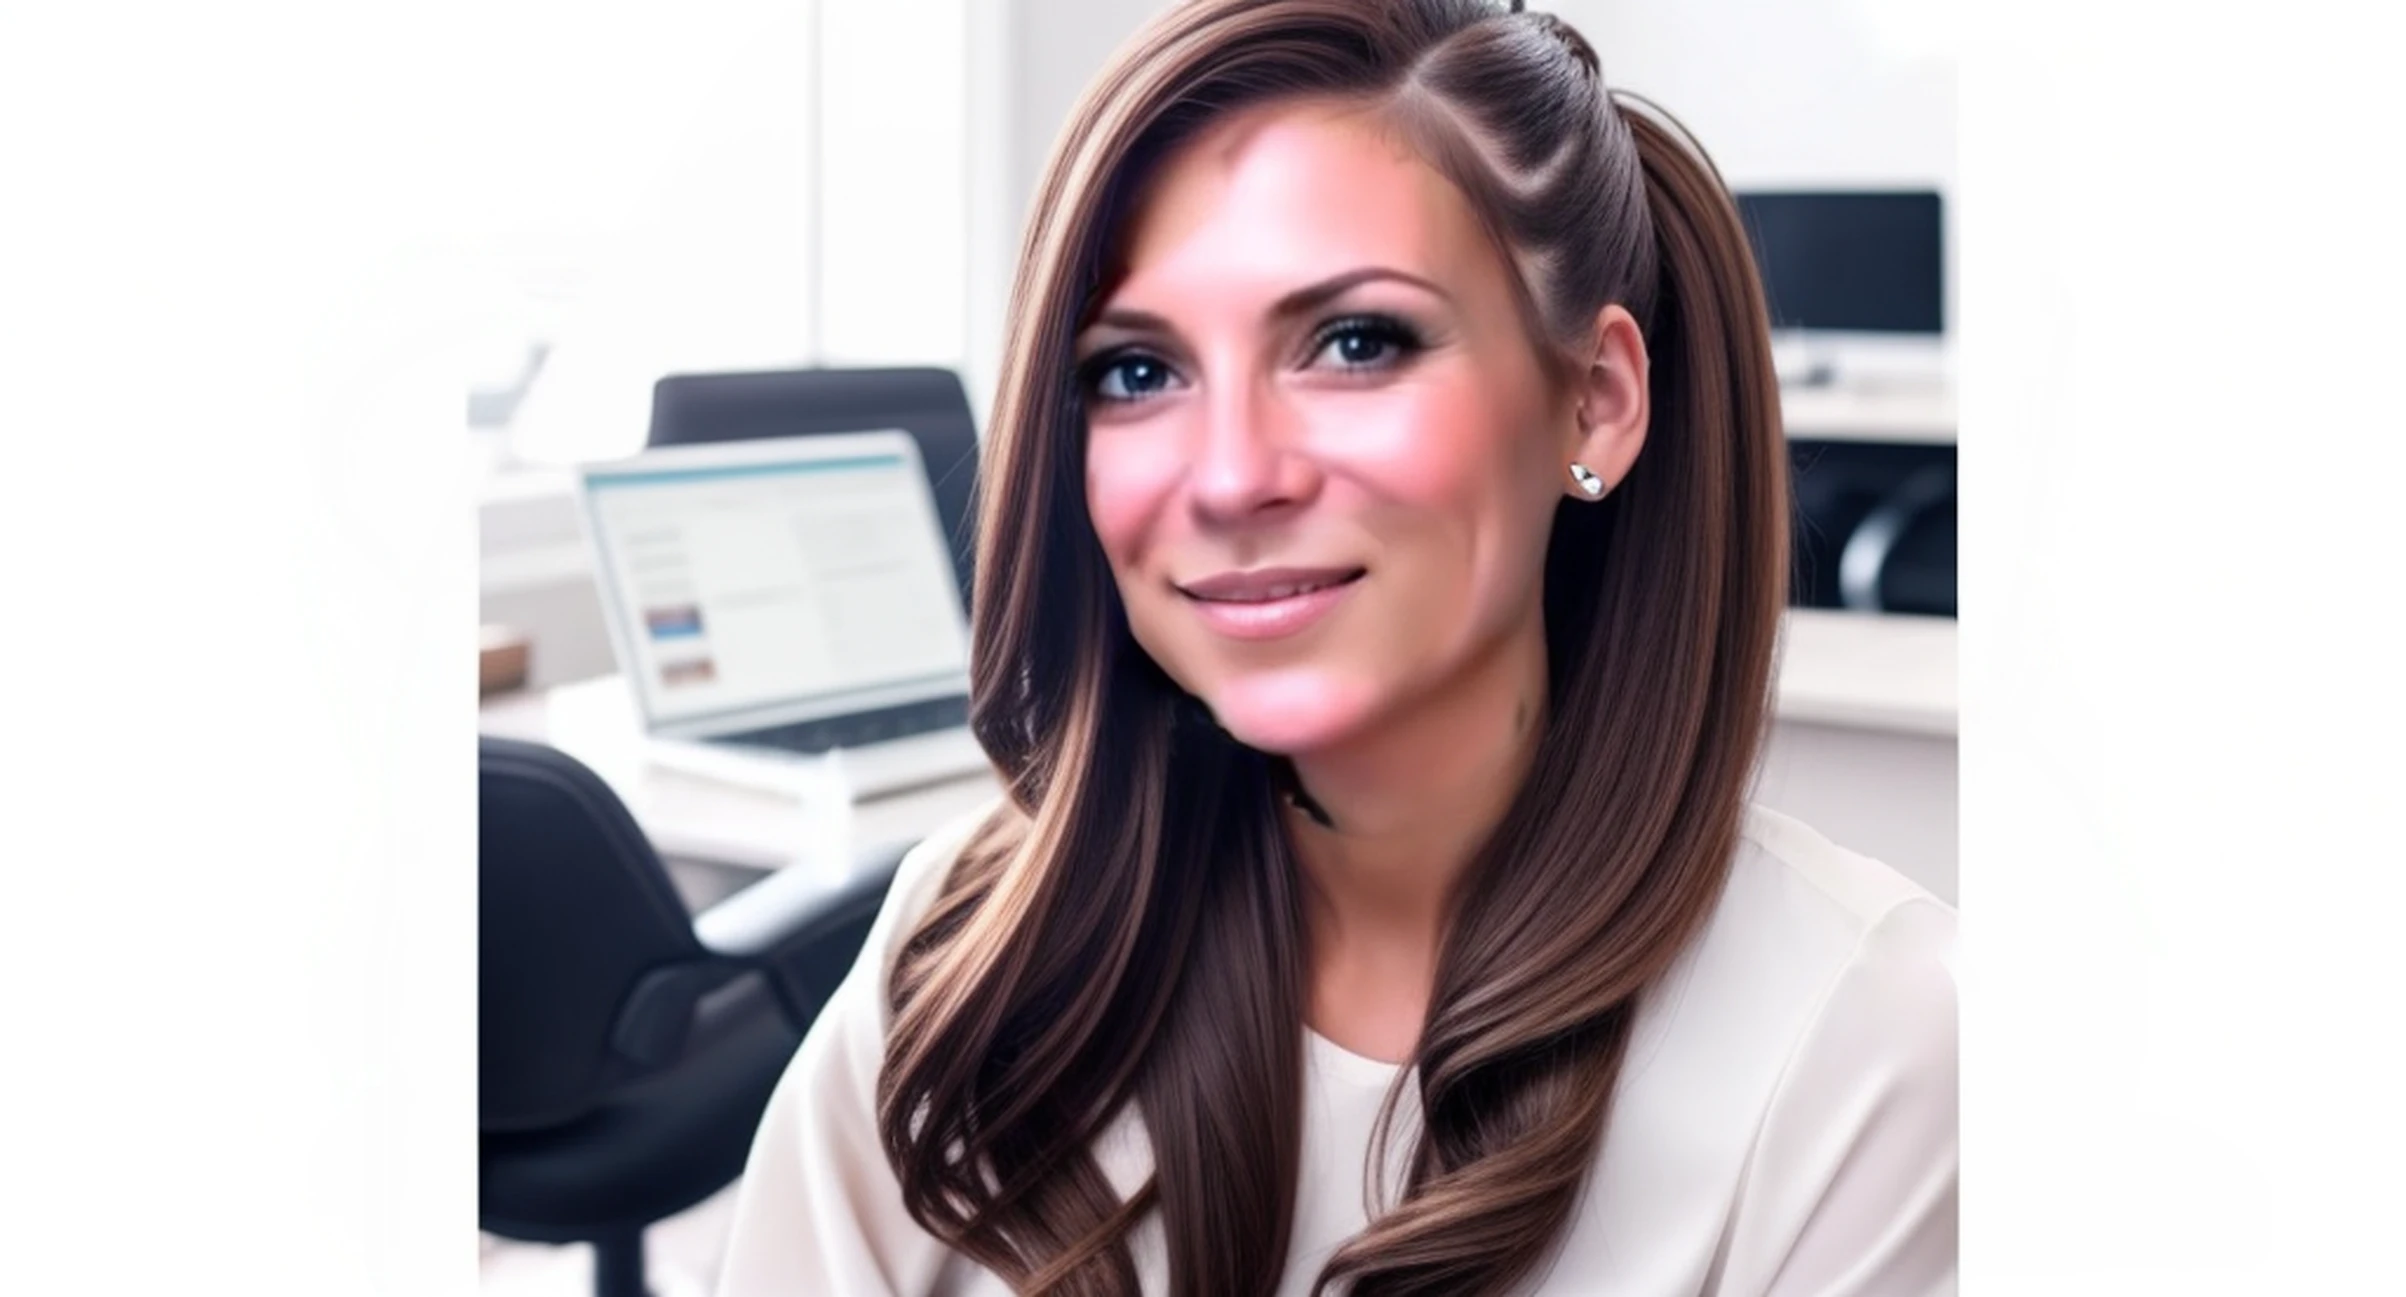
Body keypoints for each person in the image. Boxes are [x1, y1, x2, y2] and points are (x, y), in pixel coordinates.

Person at [718, 1, 1956, 1293]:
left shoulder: (1866, 1046)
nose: (1231, 477)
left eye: (1357, 343)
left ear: (1592, 398)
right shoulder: (968, 952)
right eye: (1137, 373)